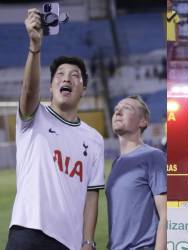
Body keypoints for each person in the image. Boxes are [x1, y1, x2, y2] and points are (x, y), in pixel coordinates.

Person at [6, 9, 104, 250]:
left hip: (68, 243)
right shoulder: (34, 117)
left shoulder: (94, 139)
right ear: (50, 87)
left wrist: (88, 240)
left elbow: (92, 194)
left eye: (75, 75)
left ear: (84, 89)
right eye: (59, 75)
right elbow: (29, 92)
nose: (66, 78)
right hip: (28, 230)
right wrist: (35, 48)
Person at [106, 96, 167, 250]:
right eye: (116, 109)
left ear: (143, 121)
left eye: (127, 108)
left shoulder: (153, 156)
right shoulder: (116, 163)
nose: (118, 111)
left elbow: (166, 215)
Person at [167, 0, 180, 78]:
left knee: (168, 59)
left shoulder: (174, 14)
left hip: (171, 40)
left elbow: (177, 27)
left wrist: (177, 39)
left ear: (172, 4)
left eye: (169, 3)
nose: (167, 5)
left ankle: (167, 76)